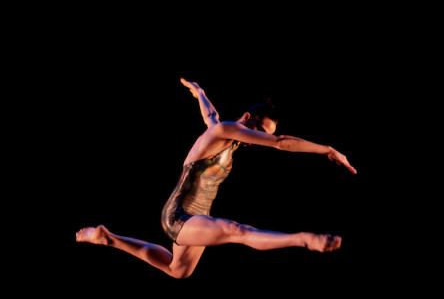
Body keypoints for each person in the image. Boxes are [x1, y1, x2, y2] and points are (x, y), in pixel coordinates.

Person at [76, 79, 357, 278]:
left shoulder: (224, 134)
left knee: (179, 270)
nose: (259, 140)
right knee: (238, 231)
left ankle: (108, 238)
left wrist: (199, 92)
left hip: (198, 218)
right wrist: (328, 150)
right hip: (179, 216)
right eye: (259, 131)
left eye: (264, 135)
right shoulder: (222, 131)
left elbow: (210, 114)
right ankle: (304, 239)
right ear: (246, 118)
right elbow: (281, 142)